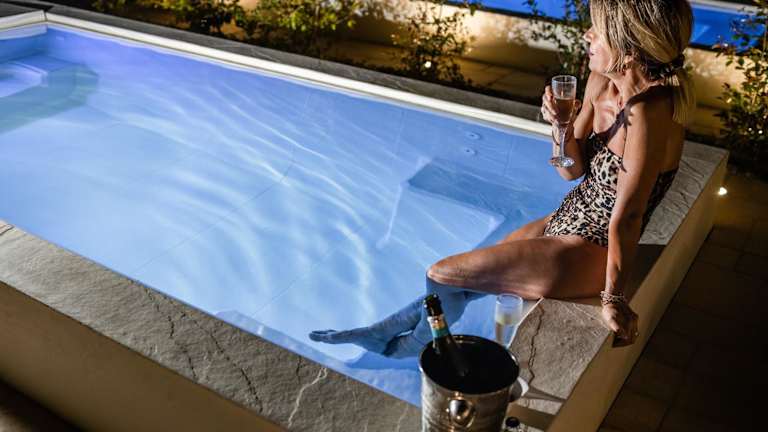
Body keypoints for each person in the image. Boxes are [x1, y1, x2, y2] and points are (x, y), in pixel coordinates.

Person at [310, 0, 694, 357]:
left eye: (597, 30)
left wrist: (614, 298)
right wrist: (560, 126)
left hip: (595, 247)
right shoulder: (600, 83)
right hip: (567, 218)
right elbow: (569, 170)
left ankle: (416, 344)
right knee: (466, 277)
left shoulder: (650, 110)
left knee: (441, 273)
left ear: (628, 48)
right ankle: (384, 329)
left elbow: (628, 215)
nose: (587, 35)